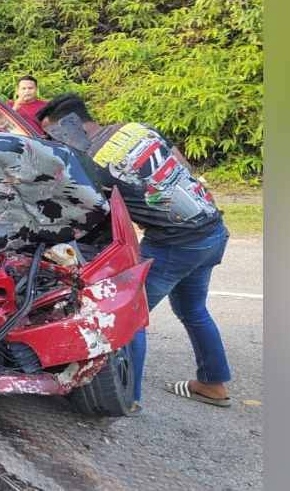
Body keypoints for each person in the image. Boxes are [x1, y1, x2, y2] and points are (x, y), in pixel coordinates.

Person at [35, 93, 231, 413]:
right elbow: (181, 164)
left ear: (68, 126)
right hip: (211, 229)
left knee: (130, 316)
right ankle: (213, 383)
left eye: (53, 133)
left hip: (174, 244)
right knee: (194, 309)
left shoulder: (93, 160)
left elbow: (91, 213)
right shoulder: (137, 129)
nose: (53, 139)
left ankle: (131, 397)